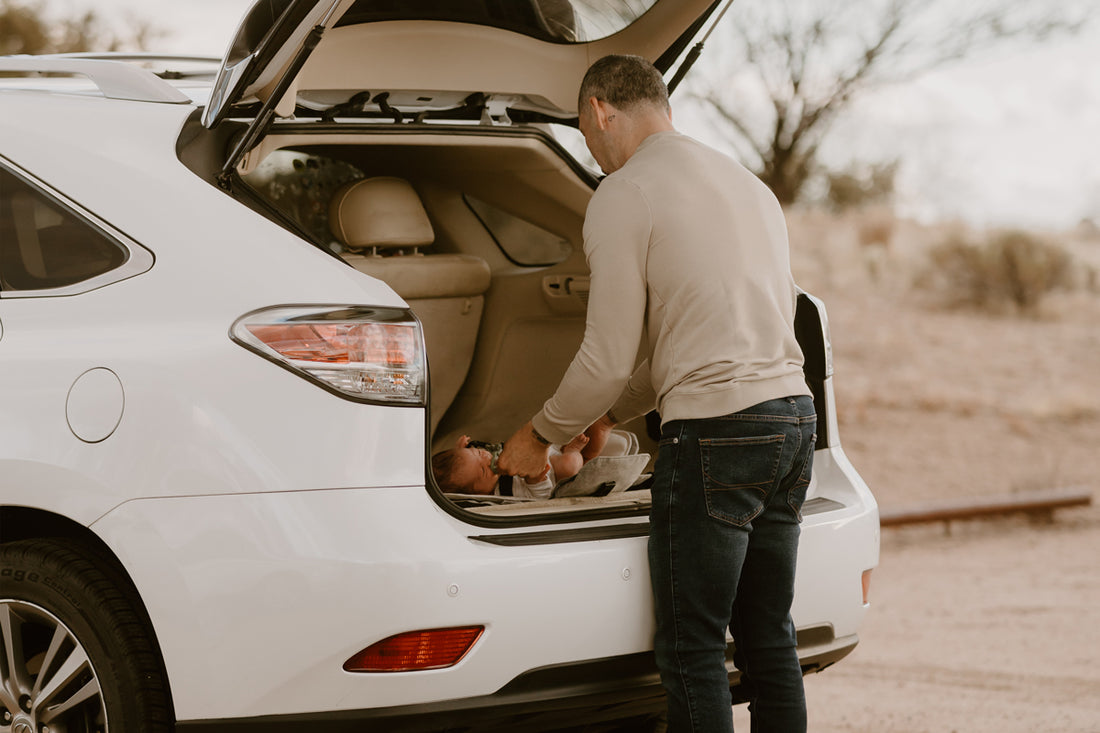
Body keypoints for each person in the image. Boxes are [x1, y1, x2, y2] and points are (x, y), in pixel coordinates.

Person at [497, 54, 816, 732]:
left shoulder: (625, 191)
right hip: (792, 419)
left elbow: (607, 355)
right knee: (768, 634)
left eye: (587, 137)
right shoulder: (748, 185)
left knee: (691, 643)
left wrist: (540, 434)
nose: (593, 151)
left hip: (719, 434)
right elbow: (717, 331)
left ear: (598, 112)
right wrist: (610, 415)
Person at [431, 433, 589, 499]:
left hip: (540, 449)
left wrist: (461, 451)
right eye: (483, 470)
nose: (487, 457)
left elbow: (466, 463)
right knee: (569, 465)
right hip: (552, 472)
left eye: (477, 452)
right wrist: (535, 480)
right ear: (478, 495)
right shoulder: (506, 493)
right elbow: (541, 499)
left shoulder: (478, 460)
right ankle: (573, 451)